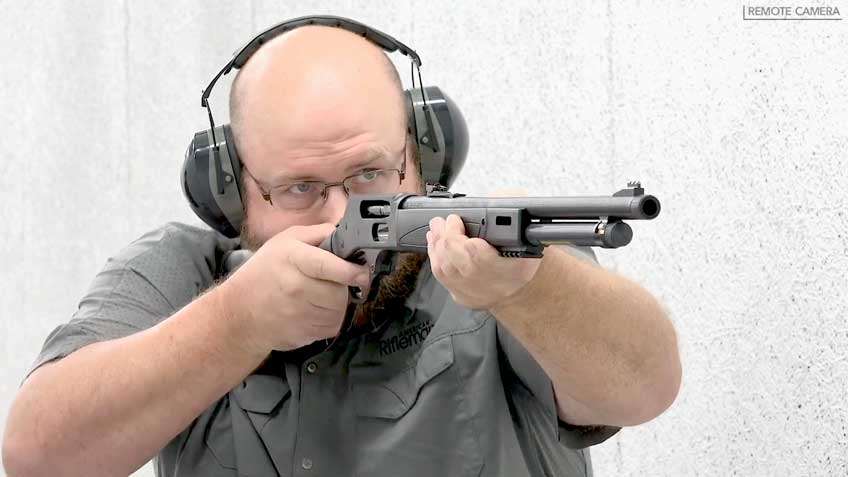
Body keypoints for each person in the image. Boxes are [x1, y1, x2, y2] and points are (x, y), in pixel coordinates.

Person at [2, 19, 681, 477]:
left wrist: (530, 290)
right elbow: (35, 454)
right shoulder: (186, 272)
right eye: (299, 188)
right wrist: (237, 321)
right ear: (233, 192)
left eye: (369, 174)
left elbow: (645, 384)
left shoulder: (485, 255)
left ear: (423, 154)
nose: (342, 213)